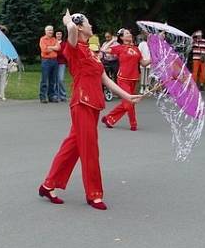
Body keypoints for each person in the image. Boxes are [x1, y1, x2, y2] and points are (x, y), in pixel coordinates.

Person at [39, 11, 142, 210]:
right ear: (79, 27)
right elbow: (70, 29)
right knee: (89, 149)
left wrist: (128, 96)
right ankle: (94, 194)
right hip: (82, 103)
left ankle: (48, 185)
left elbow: (105, 79)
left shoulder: (92, 52)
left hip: (94, 103)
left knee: (73, 146)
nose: (91, 25)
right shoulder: (74, 48)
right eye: (87, 22)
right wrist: (69, 20)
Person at [102, 28, 149, 131]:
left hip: (134, 79)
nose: (129, 34)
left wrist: (154, 58)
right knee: (129, 102)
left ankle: (109, 118)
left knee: (126, 103)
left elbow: (143, 63)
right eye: (126, 33)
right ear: (122, 37)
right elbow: (104, 49)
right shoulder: (119, 48)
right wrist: (112, 40)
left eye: (129, 33)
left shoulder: (136, 49)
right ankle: (133, 124)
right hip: (123, 78)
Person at [38, 25, 60, 103]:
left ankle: (51, 96)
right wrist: (53, 47)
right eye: (49, 30)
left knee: (52, 80)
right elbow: (44, 50)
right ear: (45, 31)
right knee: (44, 79)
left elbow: (58, 48)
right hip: (46, 61)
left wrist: (50, 47)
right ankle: (43, 97)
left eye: (51, 30)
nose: (51, 32)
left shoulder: (54, 39)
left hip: (54, 61)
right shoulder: (42, 39)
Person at [55, 30, 68, 102]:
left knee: (60, 79)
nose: (59, 35)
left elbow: (63, 53)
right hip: (53, 62)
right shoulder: (53, 42)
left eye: (60, 34)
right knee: (55, 80)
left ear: (62, 35)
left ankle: (63, 94)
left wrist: (56, 51)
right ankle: (56, 95)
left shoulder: (64, 44)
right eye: (57, 34)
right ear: (55, 35)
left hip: (61, 63)